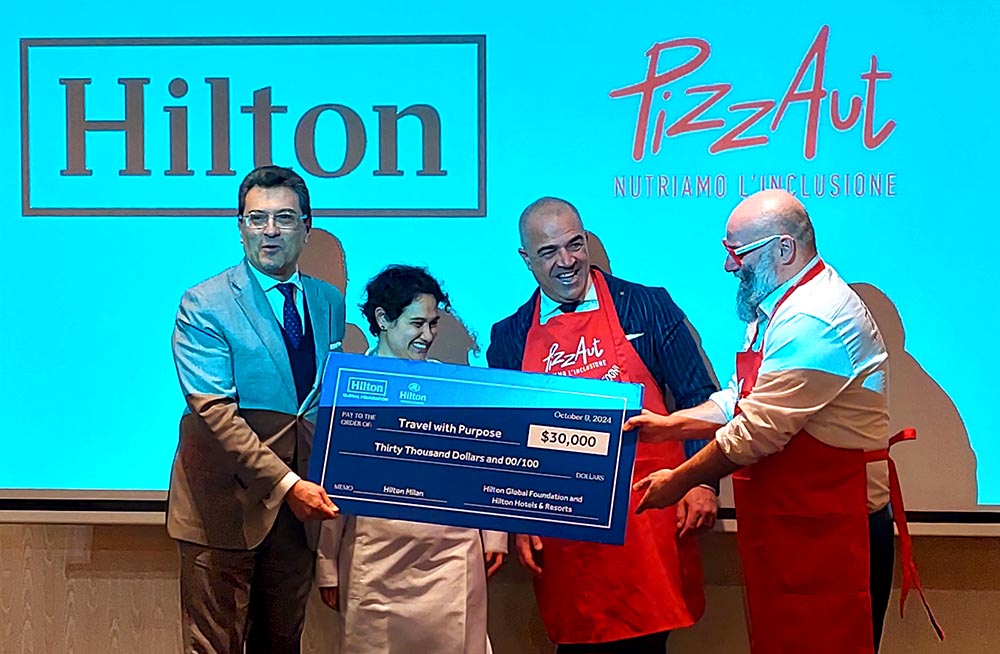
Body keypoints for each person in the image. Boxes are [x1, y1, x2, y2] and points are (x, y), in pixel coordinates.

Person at [626, 189, 941, 653]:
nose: (728, 266)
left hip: (835, 536)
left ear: (784, 249)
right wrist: (672, 425)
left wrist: (679, 480)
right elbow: (743, 397)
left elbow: (757, 431)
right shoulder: (779, 306)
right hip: (794, 527)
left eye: (737, 253)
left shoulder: (815, 317)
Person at [486, 197, 718, 653]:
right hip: (566, 535)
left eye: (575, 244)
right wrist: (518, 518)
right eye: (549, 252)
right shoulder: (509, 336)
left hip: (647, 519)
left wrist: (700, 481)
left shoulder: (647, 307)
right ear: (526, 259)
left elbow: (697, 397)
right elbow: (511, 439)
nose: (567, 260)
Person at [167, 165, 346, 654]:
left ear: (306, 226)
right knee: (214, 646)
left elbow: (321, 403)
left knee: (284, 642)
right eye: (256, 218)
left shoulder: (329, 301)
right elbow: (214, 413)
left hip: (296, 517)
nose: (270, 231)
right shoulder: (204, 304)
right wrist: (289, 485)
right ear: (240, 226)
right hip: (222, 510)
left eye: (284, 218)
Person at [316, 264, 508, 654]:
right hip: (374, 561)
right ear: (383, 320)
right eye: (417, 323)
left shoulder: (455, 387)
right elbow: (333, 486)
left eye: (433, 324)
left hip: (452, 559)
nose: (428, 335)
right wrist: (326, 564)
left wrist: (495, 535)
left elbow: (482, 463)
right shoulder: (351, 386)